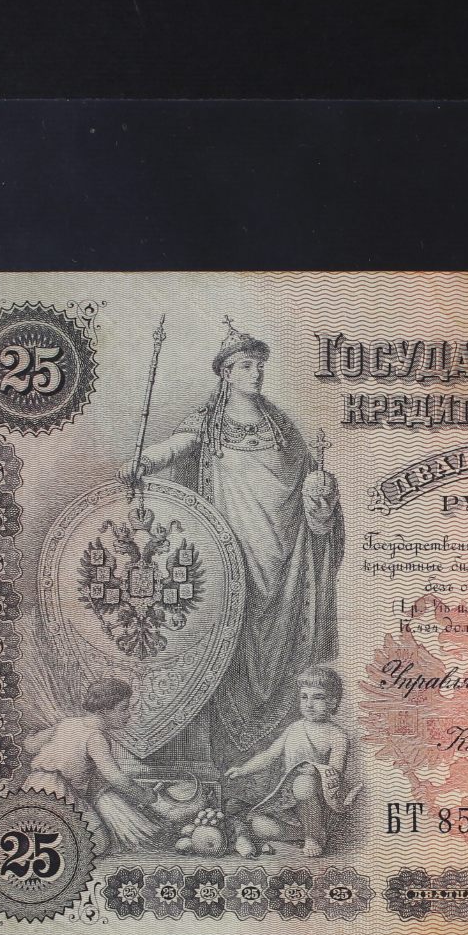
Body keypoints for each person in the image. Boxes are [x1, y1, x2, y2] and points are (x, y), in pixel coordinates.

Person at [121, 318, 343, 774]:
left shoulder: (283, 429)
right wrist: (144, 461)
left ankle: (275, 763)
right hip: (229, 552)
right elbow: (177, 446)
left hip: (284, 560)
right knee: (226, 641)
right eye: (246, 366)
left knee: (282, 644)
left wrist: (321, 499)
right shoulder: (209, 422)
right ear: (226, 372)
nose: (256, 373)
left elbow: (311, 492)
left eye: (259, 366)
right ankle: (216, 759)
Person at [225, 666, 359, 859]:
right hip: (289, 806)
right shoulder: (294, 728)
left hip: (318, 803)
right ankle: (303, 833)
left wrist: (316, 772)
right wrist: (243, 770)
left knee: (303, 783)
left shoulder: (337, 735)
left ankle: (313, 836)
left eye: (318, 697)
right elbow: (269, 755)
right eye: (304, 697)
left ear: (333, 702)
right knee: (259, 825)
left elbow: (336, 771)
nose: (309, 704)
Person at [23, 678, 171, 851]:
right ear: (105, 710)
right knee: (97, 843)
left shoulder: (68, 723)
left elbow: (30, 746)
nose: (129, 714)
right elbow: (116, 778)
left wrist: (32, 736)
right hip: (58, 792)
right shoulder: (95, 737)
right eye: (124, 708)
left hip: (33, 786)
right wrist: (145, 796)